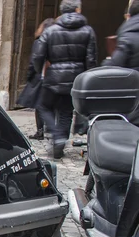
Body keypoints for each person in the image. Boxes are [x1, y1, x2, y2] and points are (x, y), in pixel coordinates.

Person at [32, 0, 97, 159]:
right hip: (76, 78)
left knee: (42, 105)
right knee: (66, 112)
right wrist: (87, 80)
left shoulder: (51, 30)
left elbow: (38, 55)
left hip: (54, 76)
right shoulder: (88, 31)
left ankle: (56, 135)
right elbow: (91, 59)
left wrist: (35, 72)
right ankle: (60, 140)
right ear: (78, 10)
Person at [18, 18, 55, 140]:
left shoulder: (39, 42)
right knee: (50, 105)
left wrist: (29, 75)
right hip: (55, 77)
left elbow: (34, 61)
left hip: (41, 77)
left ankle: (41, 131)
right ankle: (49, 130)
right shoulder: (56, 41)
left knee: (40, 106)